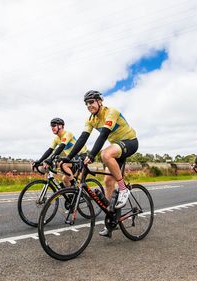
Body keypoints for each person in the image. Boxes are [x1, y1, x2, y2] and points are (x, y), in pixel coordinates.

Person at [62, 90, 138, 236]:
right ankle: (111, 220)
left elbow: (103, 136)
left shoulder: (111, 112)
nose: (89, 105)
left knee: (105, 153)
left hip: (130, 142)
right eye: (86, 103)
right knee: (108, 181)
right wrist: (68, 157)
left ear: (99, 101)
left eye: (91, 102)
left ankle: (123, 189)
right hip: (117, 148)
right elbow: (82, 139)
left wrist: (91, 155)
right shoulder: (91, 119)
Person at [33, 118, 87, 188]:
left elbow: (61, 147)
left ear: (60, 126)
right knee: (64, 179)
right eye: (51, 126)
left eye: (54, 125)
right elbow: (49, 150)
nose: (52, 128)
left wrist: (50, 160)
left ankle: (75, 186)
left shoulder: (67, 134)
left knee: (63, 164)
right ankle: (72, 194)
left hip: (81, 156)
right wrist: (39, 161)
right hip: (72, 158)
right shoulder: (56, 139)